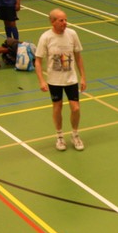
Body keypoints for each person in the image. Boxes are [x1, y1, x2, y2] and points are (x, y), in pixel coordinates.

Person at [34, 8, 87, 152]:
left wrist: (83, 77)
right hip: (54, 81)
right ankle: (59, 136)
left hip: (71, 79)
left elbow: (78, 57)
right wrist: (41, 80)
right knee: (57, 107)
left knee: (75, 108)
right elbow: (38, 61)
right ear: (53, 22)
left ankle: (75, 135)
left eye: (66, 20)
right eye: (61, 20)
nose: (65, 23)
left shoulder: (72, 34)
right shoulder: (46, 37)